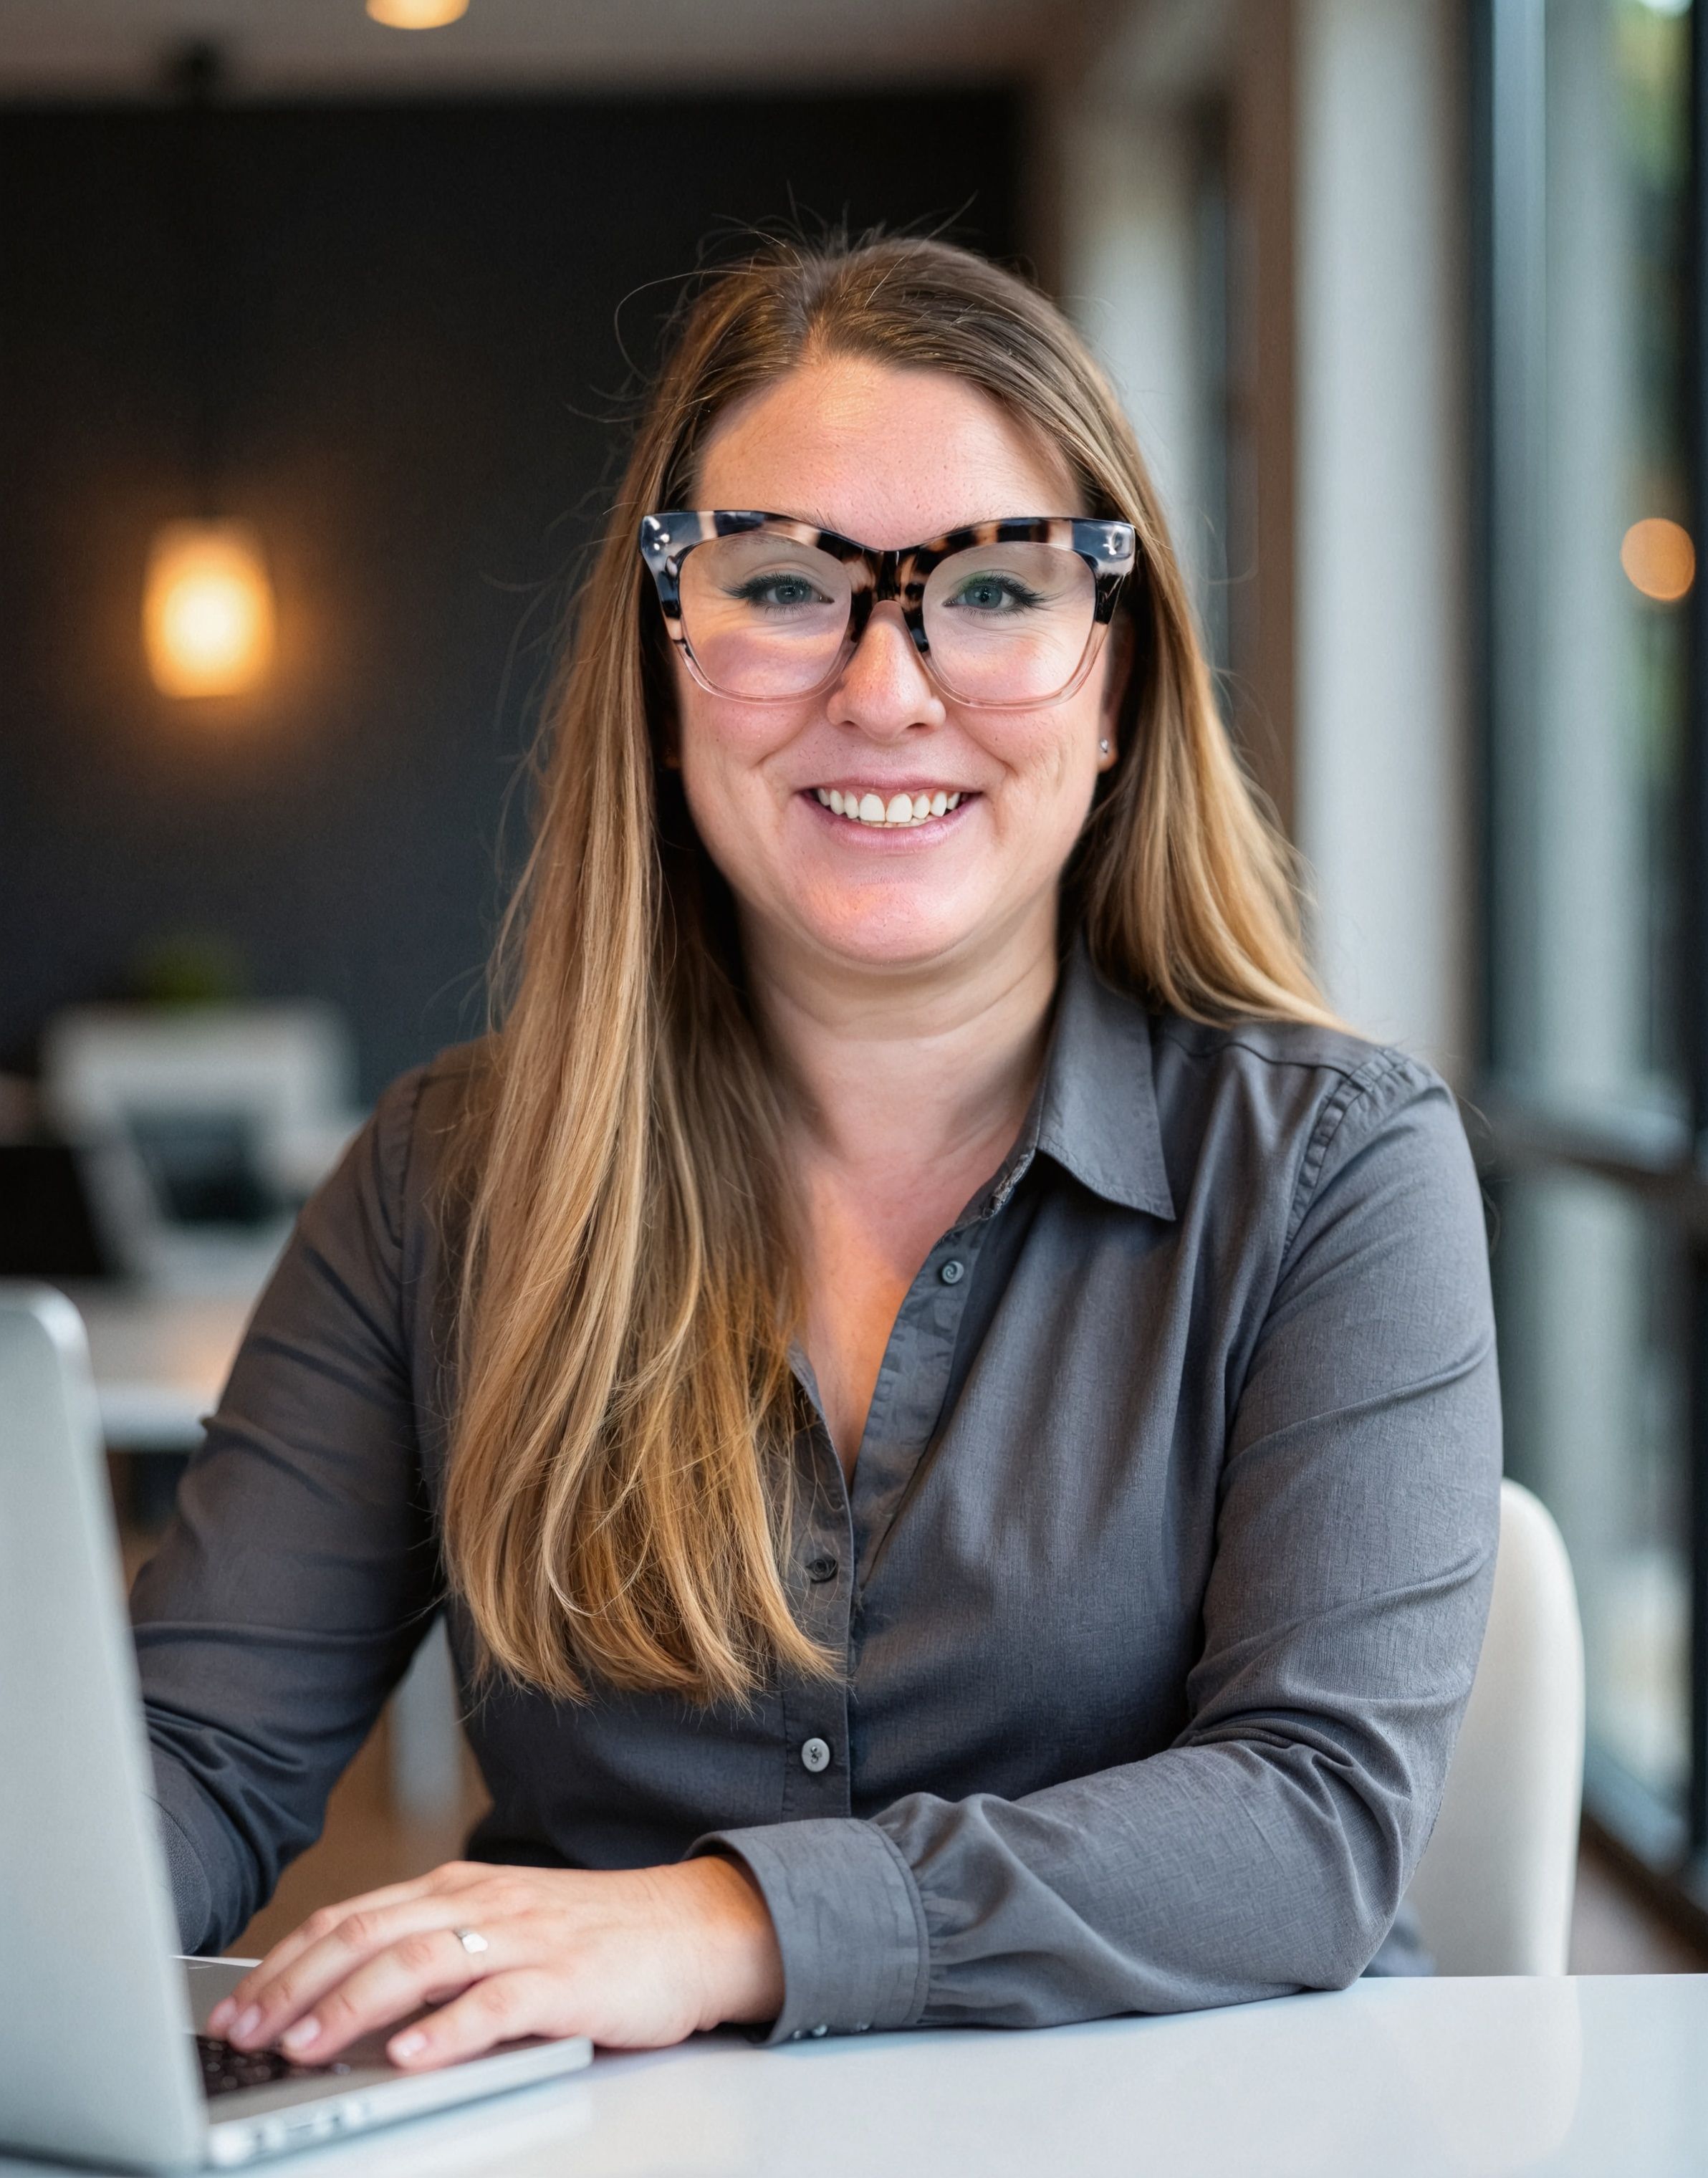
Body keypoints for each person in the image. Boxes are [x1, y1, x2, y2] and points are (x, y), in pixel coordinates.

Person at [133, 234, 1502, 2074]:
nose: (884, 687)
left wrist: (720, 1919)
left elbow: (1314, 1817)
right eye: (783, 584)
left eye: (996, 591)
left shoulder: (1335, 1172)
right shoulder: (440, 1188)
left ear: (1112, 688)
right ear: (666, 663)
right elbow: (192, 1761)